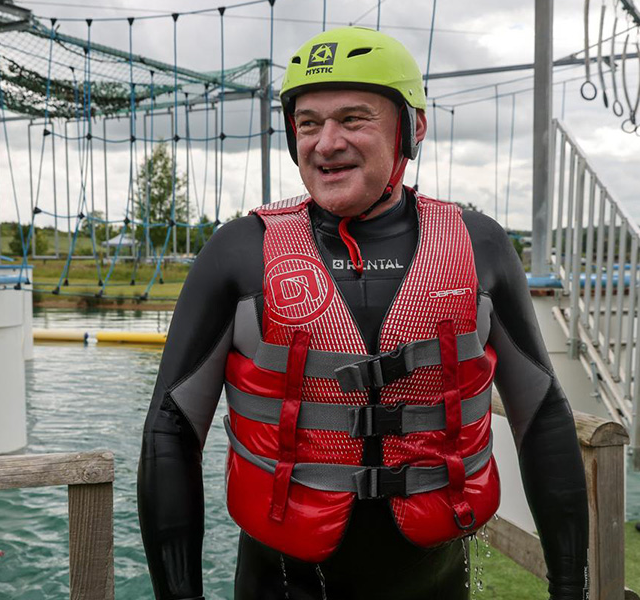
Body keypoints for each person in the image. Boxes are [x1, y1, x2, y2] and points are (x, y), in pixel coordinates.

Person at [138, 27, 588, 600]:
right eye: (308, 123)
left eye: (353, 119)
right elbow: (170, 432)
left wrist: (570, 588)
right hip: (277, 584)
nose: (326, 143)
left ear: (412, 127)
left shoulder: (481, 247)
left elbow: (543, 416)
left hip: (437, 583)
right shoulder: (238, 252)